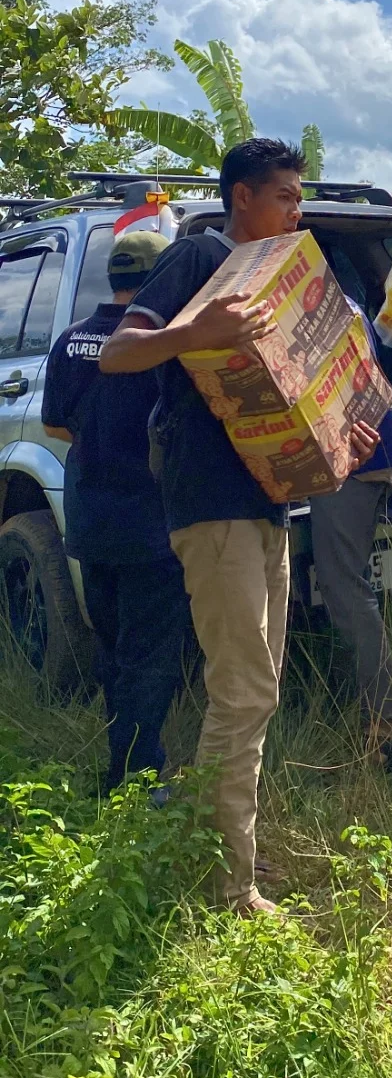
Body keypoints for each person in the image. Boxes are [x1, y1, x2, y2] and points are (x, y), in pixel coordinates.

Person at [99, 139, 380, 916]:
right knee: (244, 689)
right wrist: (198, 330)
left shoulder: (283, 285)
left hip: (269, 507)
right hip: (210, 504)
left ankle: (212, 850)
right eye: (286, 196)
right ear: (244, 198)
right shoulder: (198, 263)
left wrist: (340, 444)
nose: (296, 211)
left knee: (255, 691)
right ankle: (229, 886)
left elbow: (296, 403)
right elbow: (119, 355)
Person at [41, 229, 188, 796]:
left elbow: (55, 424)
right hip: (149, 521)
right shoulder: (158, 343)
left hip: (88, 515)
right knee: (150, 654)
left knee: (113, 647)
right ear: (155, 280)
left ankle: (120, 763)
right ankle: (139, 777)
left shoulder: (72, 340)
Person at [307, 304, 392, 769]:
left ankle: (384, 733)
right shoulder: (343, 307)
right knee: (347, 585)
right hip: (354, 460)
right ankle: (349, 707)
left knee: (347, 589)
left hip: (353, 462)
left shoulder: (327, 313)